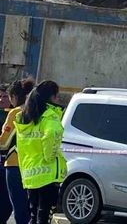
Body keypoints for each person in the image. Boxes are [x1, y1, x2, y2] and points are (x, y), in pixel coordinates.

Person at [15, 81, 67, 224]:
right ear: (51, 97)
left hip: (31, 173)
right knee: (44, 216)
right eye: (57, 97)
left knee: (33, 215)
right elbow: (52, 133)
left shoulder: (26, 117)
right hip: (48, 174)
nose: (58, 100)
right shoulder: (50, 115)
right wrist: (50, 156)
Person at [1, 79, 35, 224]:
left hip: (15, 165)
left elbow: (3, 143)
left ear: (14, 96)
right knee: (28, 210)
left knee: (18, 211)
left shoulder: (16, 113)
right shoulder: (39, 112)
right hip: (33, 166)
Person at [0, 85, 12, 224]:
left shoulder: (13, 115)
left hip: (7, 163)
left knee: (6, 201)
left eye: (4, 97)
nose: (1, 99)